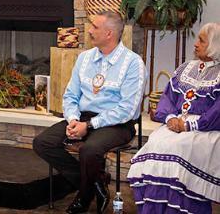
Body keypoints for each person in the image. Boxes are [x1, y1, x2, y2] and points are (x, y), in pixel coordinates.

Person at [33, 11, 146, 214]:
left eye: (94, 26)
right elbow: (70, 96)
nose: (89, 30)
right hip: (83, 117)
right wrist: (74, 120)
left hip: (117, 123)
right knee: (43, 142)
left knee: (89, 150)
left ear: (109, 33)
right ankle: (96, 183)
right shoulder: (84, 58)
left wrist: (90, 126)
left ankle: (83, 198)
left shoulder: (133, 63)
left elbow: (127, 109)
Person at [128, 23, 220, 214]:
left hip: (206, 130)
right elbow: (168, 97)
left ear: (215, 45)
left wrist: (189, 124)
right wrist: (170, 118)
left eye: (201, 41)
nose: (195, 44)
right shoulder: (186, 68)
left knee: (178, 148)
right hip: (177, 124)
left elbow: (216, 112)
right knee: (156, 141)